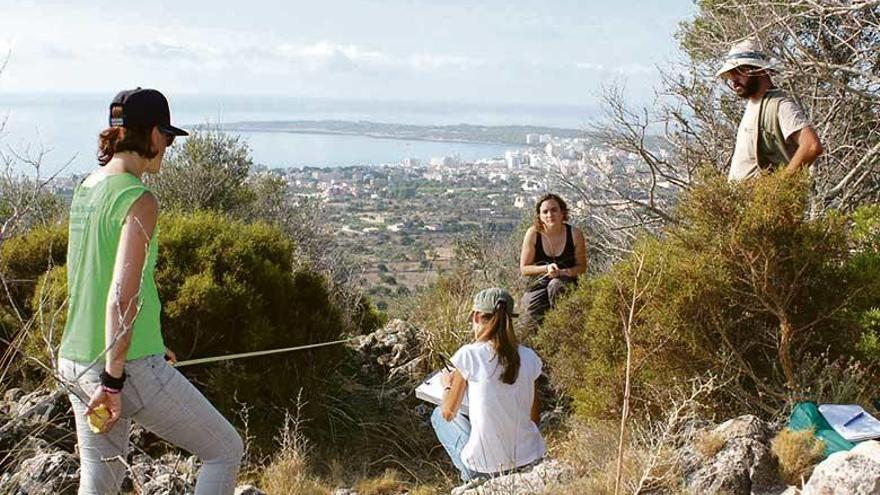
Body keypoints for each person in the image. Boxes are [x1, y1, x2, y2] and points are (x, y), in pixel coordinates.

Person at [57, 88, 243, 494]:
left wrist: (152, 343)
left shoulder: (87, 189)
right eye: (169, 139)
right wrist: (113, 382)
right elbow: (121, 297)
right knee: (225, 450)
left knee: (100, 481)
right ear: (154, 136)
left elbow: (89, 277)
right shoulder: (139, 200)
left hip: (74, 359)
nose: (168, 149)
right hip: (124, 368)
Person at [431, 287, 546, 481]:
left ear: (476, 317)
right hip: (530, 456)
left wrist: (447, 386)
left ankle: (473, 475)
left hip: (486, 466)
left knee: (438, 415)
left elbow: (448, 413)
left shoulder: (469, 355)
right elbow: (534, 418)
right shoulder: (530, 357)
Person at [716, 38, 823, 182]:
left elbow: (811, 145)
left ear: (759, 70)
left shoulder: (780, 105)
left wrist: (779, 188)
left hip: (763, 202)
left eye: (739, 72)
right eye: (731, 74)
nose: (733, 80)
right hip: (744, 203)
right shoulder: (754, 104)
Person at [519, 193, 587, 330]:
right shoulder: (533, 234)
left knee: (556, 285)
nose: (550, 214)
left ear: (562, 212)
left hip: (567, 281)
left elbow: (582, 267)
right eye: (545, 212)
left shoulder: (575, 234)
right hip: (539, 282)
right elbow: (524, 268)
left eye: (554, 210)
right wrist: (546, 268)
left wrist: (563, 272)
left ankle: (561, 329)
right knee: (529, 319)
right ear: (539, 216)